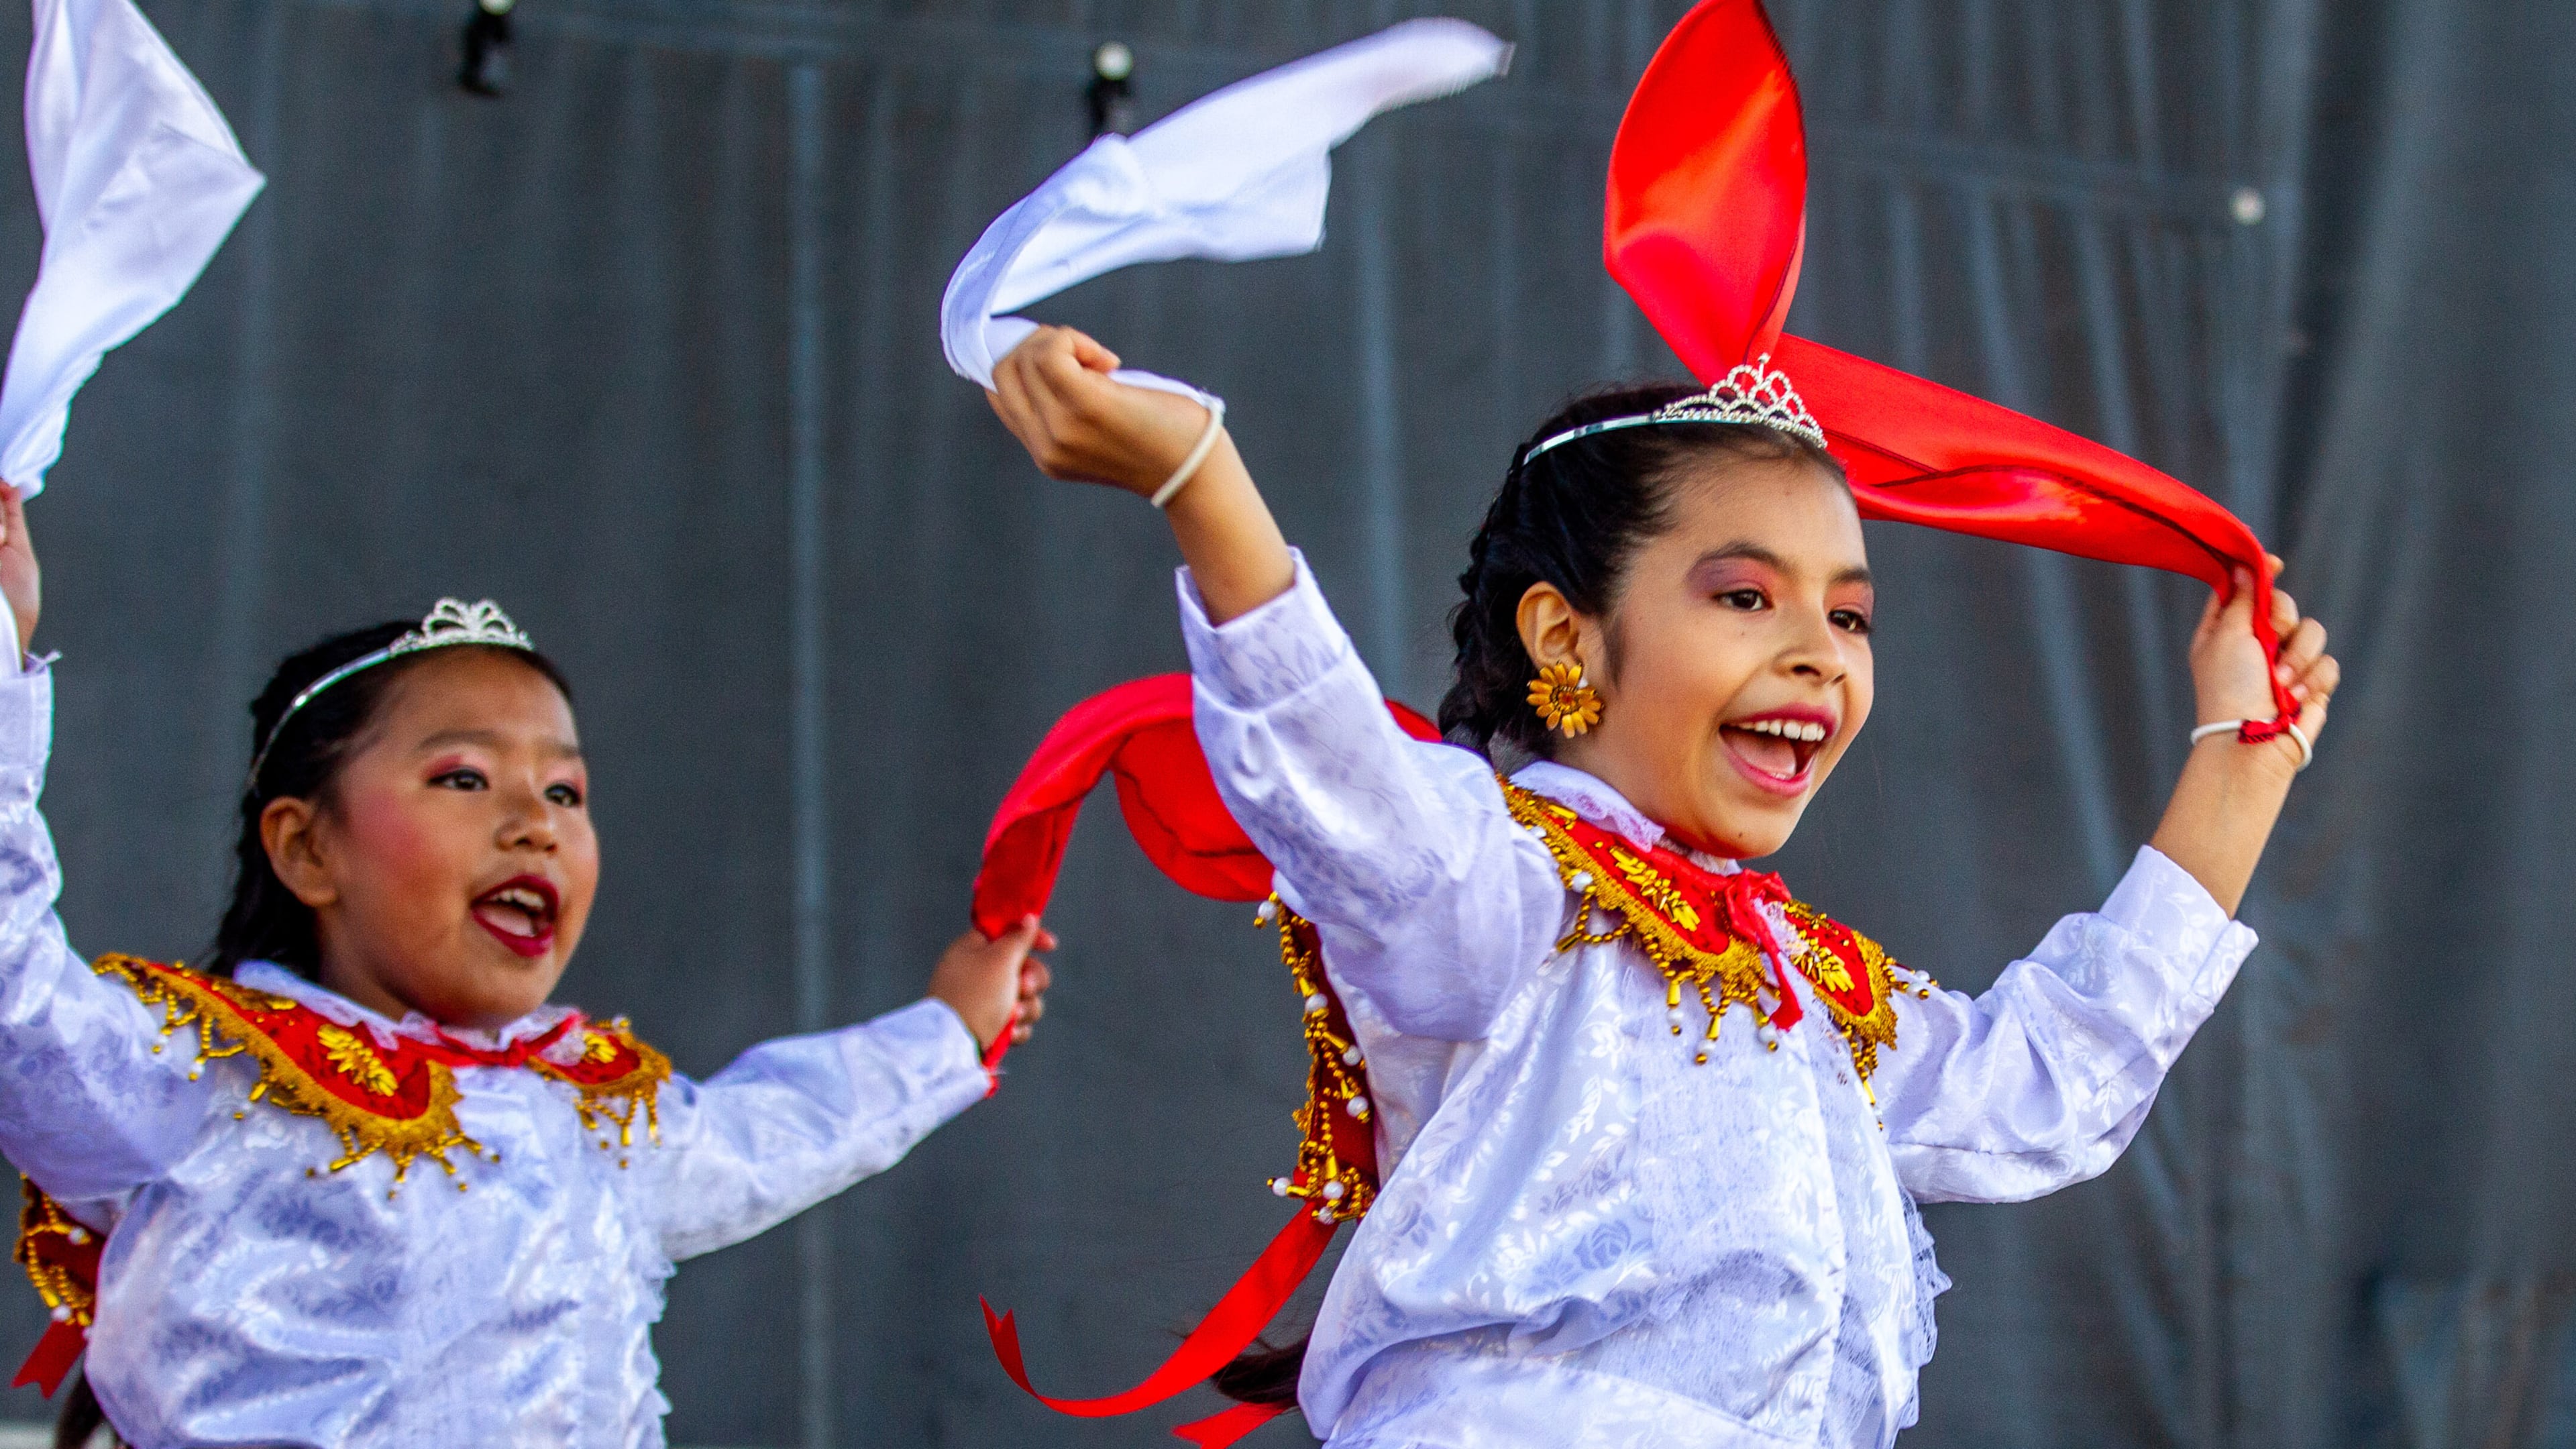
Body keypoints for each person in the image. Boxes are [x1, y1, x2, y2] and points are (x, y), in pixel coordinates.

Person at [982, 325, 2339, 1448]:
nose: (1818, 653)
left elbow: (2045, 1088)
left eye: (1849, 615)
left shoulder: (1804, 988)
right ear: (1564, 636)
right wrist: (1205, 484)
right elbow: (1332, 779)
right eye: (1746, 597)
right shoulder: (1493, 889)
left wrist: (2245, 764)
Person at [0, 485, 1052, 1448]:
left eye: (565, 793)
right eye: (464, 777)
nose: (534, 826)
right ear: (307, 848)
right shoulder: (206, 1077)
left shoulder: (592, 1116)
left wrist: (948, 1032)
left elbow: (776, 1129)